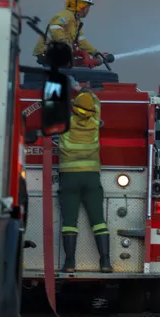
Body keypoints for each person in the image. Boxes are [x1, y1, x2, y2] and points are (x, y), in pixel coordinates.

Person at [57, 87, 113, 273]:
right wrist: (84, 89)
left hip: (69, 177)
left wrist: (71, 89)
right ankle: (105, 262)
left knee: (69, 222)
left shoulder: (65, 121)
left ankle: (69, 263)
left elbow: (57, 104)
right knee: (99, 221)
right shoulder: (95, 122)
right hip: (91, 176)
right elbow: (95, 102)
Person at [33, 0, 113, 67]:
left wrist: (95, 53)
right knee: (77, 65)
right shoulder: (66, 15)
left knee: (80, 63)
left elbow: (82, 42)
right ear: (82, 6)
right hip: (46, 53)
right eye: (88, 6)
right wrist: (66, 46)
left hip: (55, 53)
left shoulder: (76, 21)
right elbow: (55, 28)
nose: (88, 10)